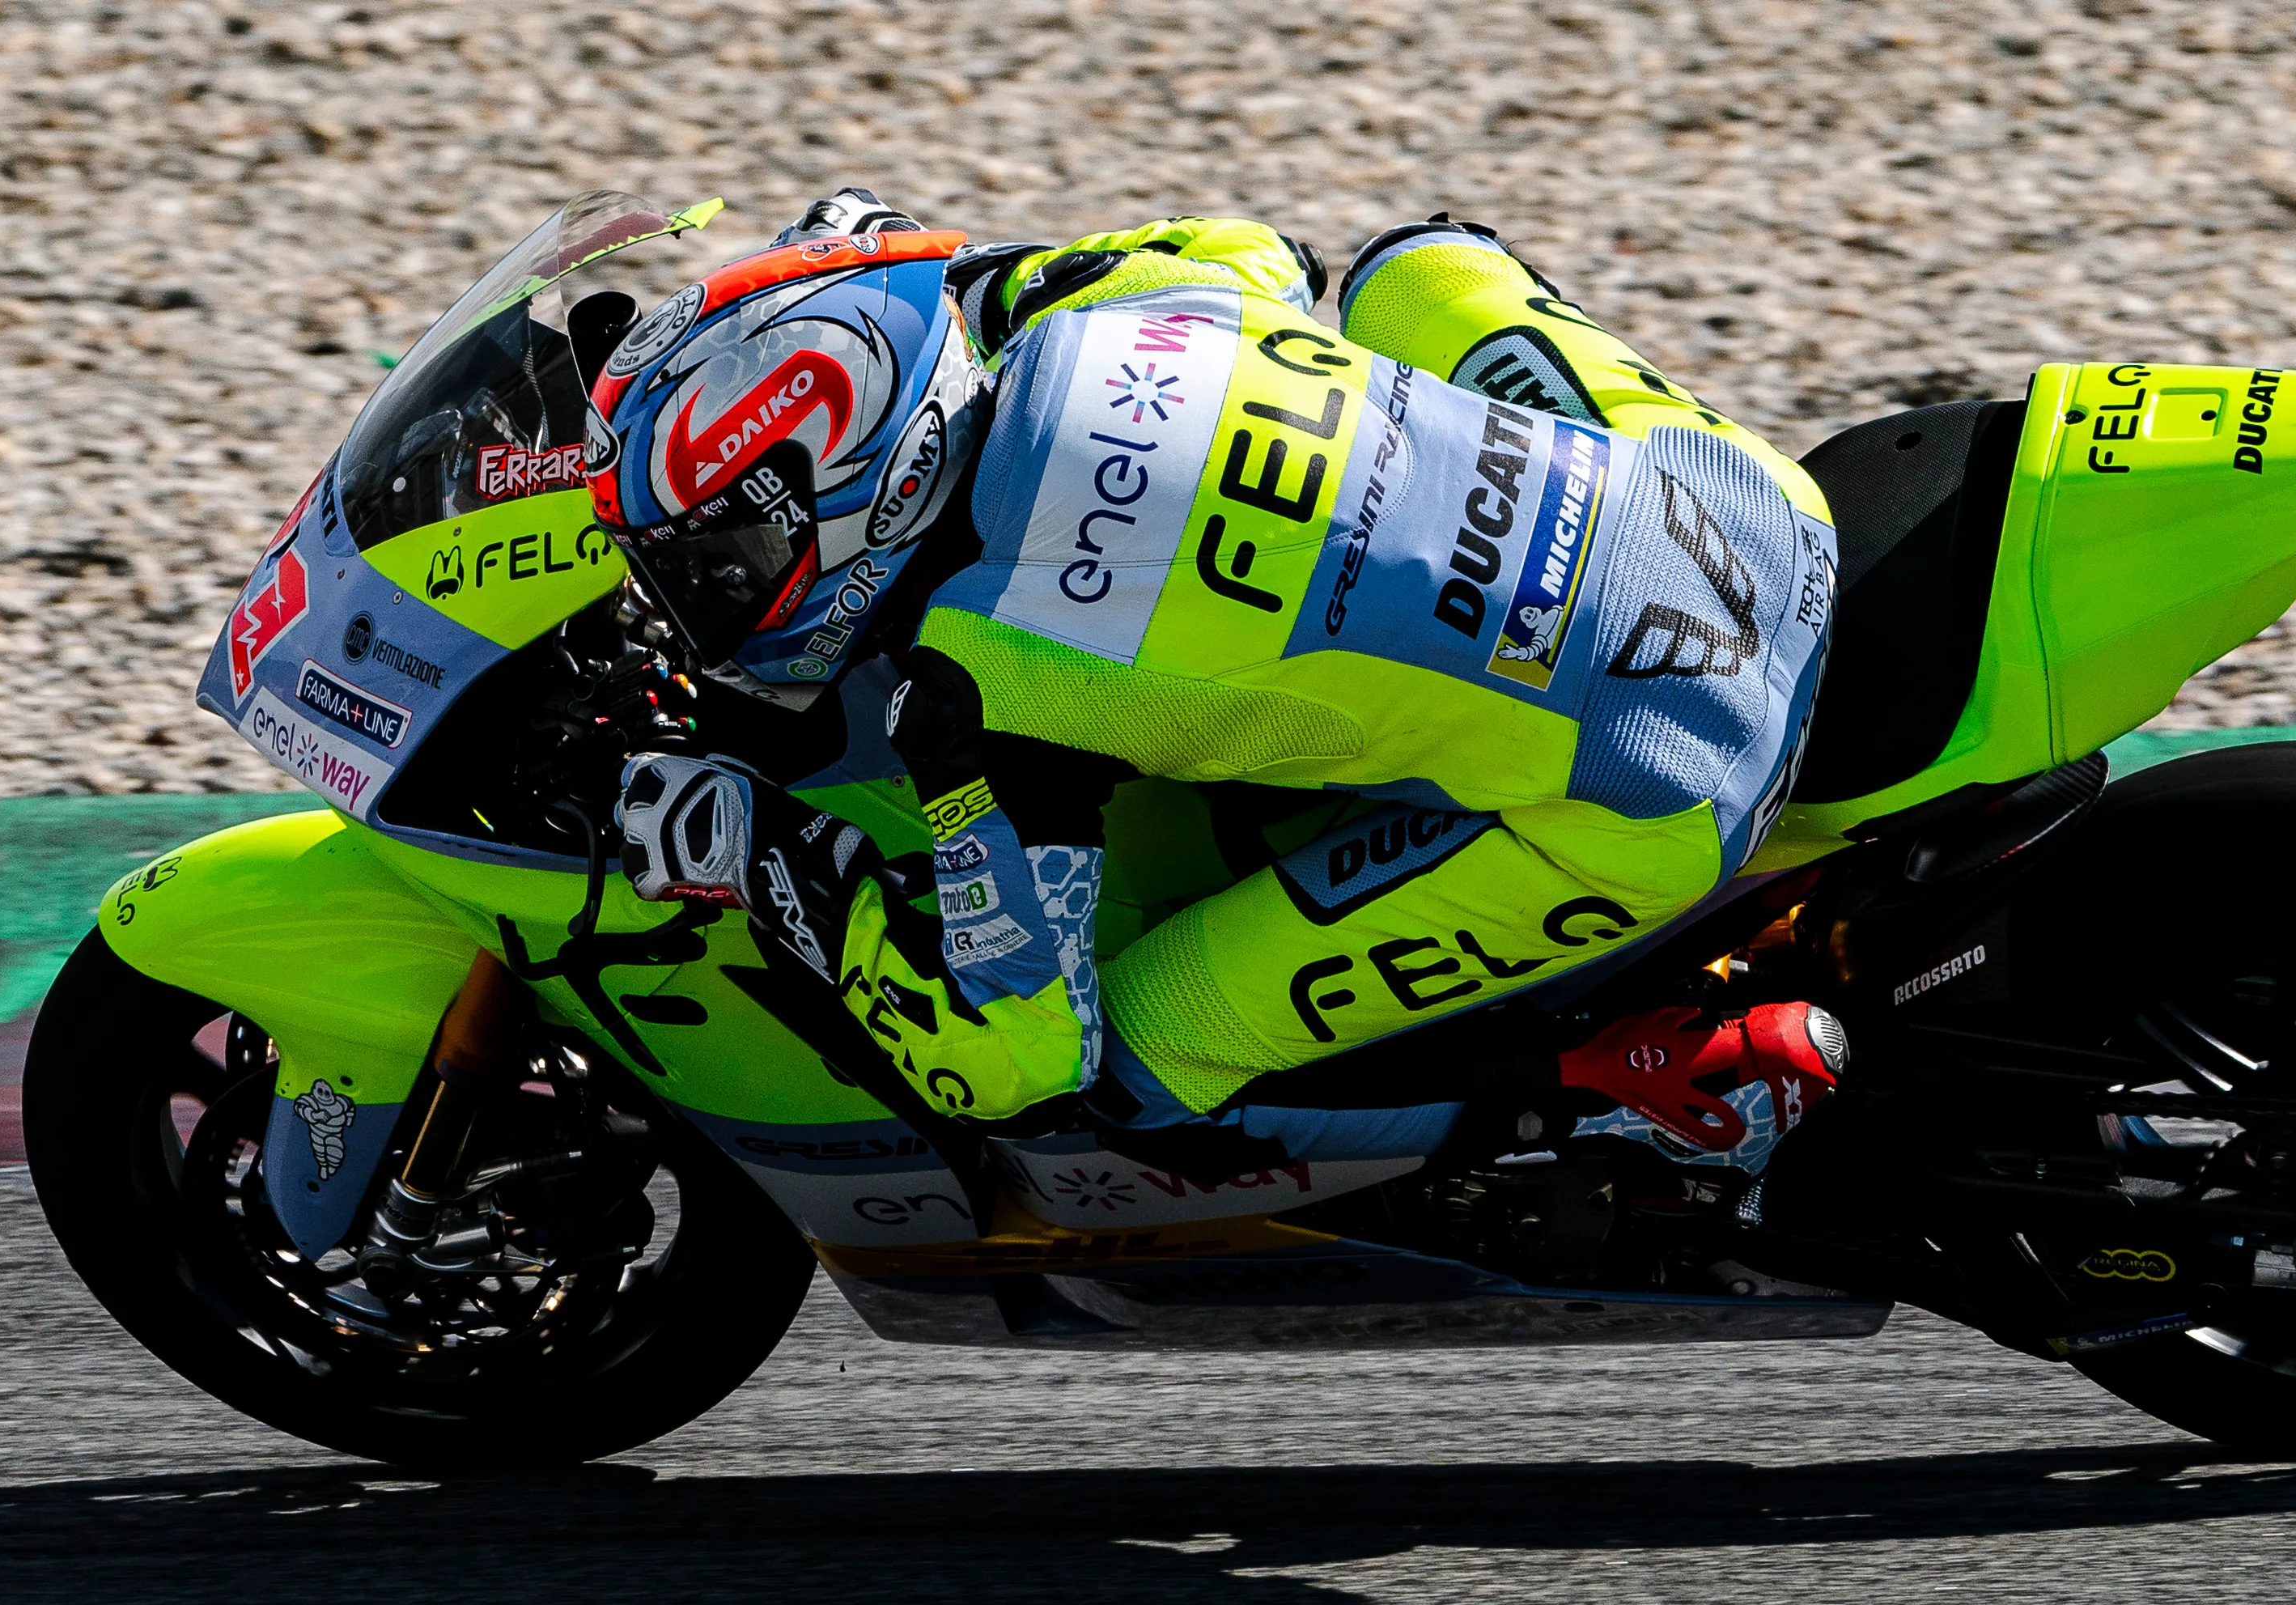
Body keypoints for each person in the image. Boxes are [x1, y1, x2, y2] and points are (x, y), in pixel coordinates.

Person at [592, 189, 1846, 1180]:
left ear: (867, 489)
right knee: (1414, 261)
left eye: (723, 561)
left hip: (1657, 786)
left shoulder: (976, 683)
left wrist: (754, 847)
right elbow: (1265, 252)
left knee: (1140, 1064)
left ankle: (1626, 1087)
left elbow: (1016, 1053)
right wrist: (966, 274)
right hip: (1745, 510)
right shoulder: (1113, 303)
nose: (702, 597)